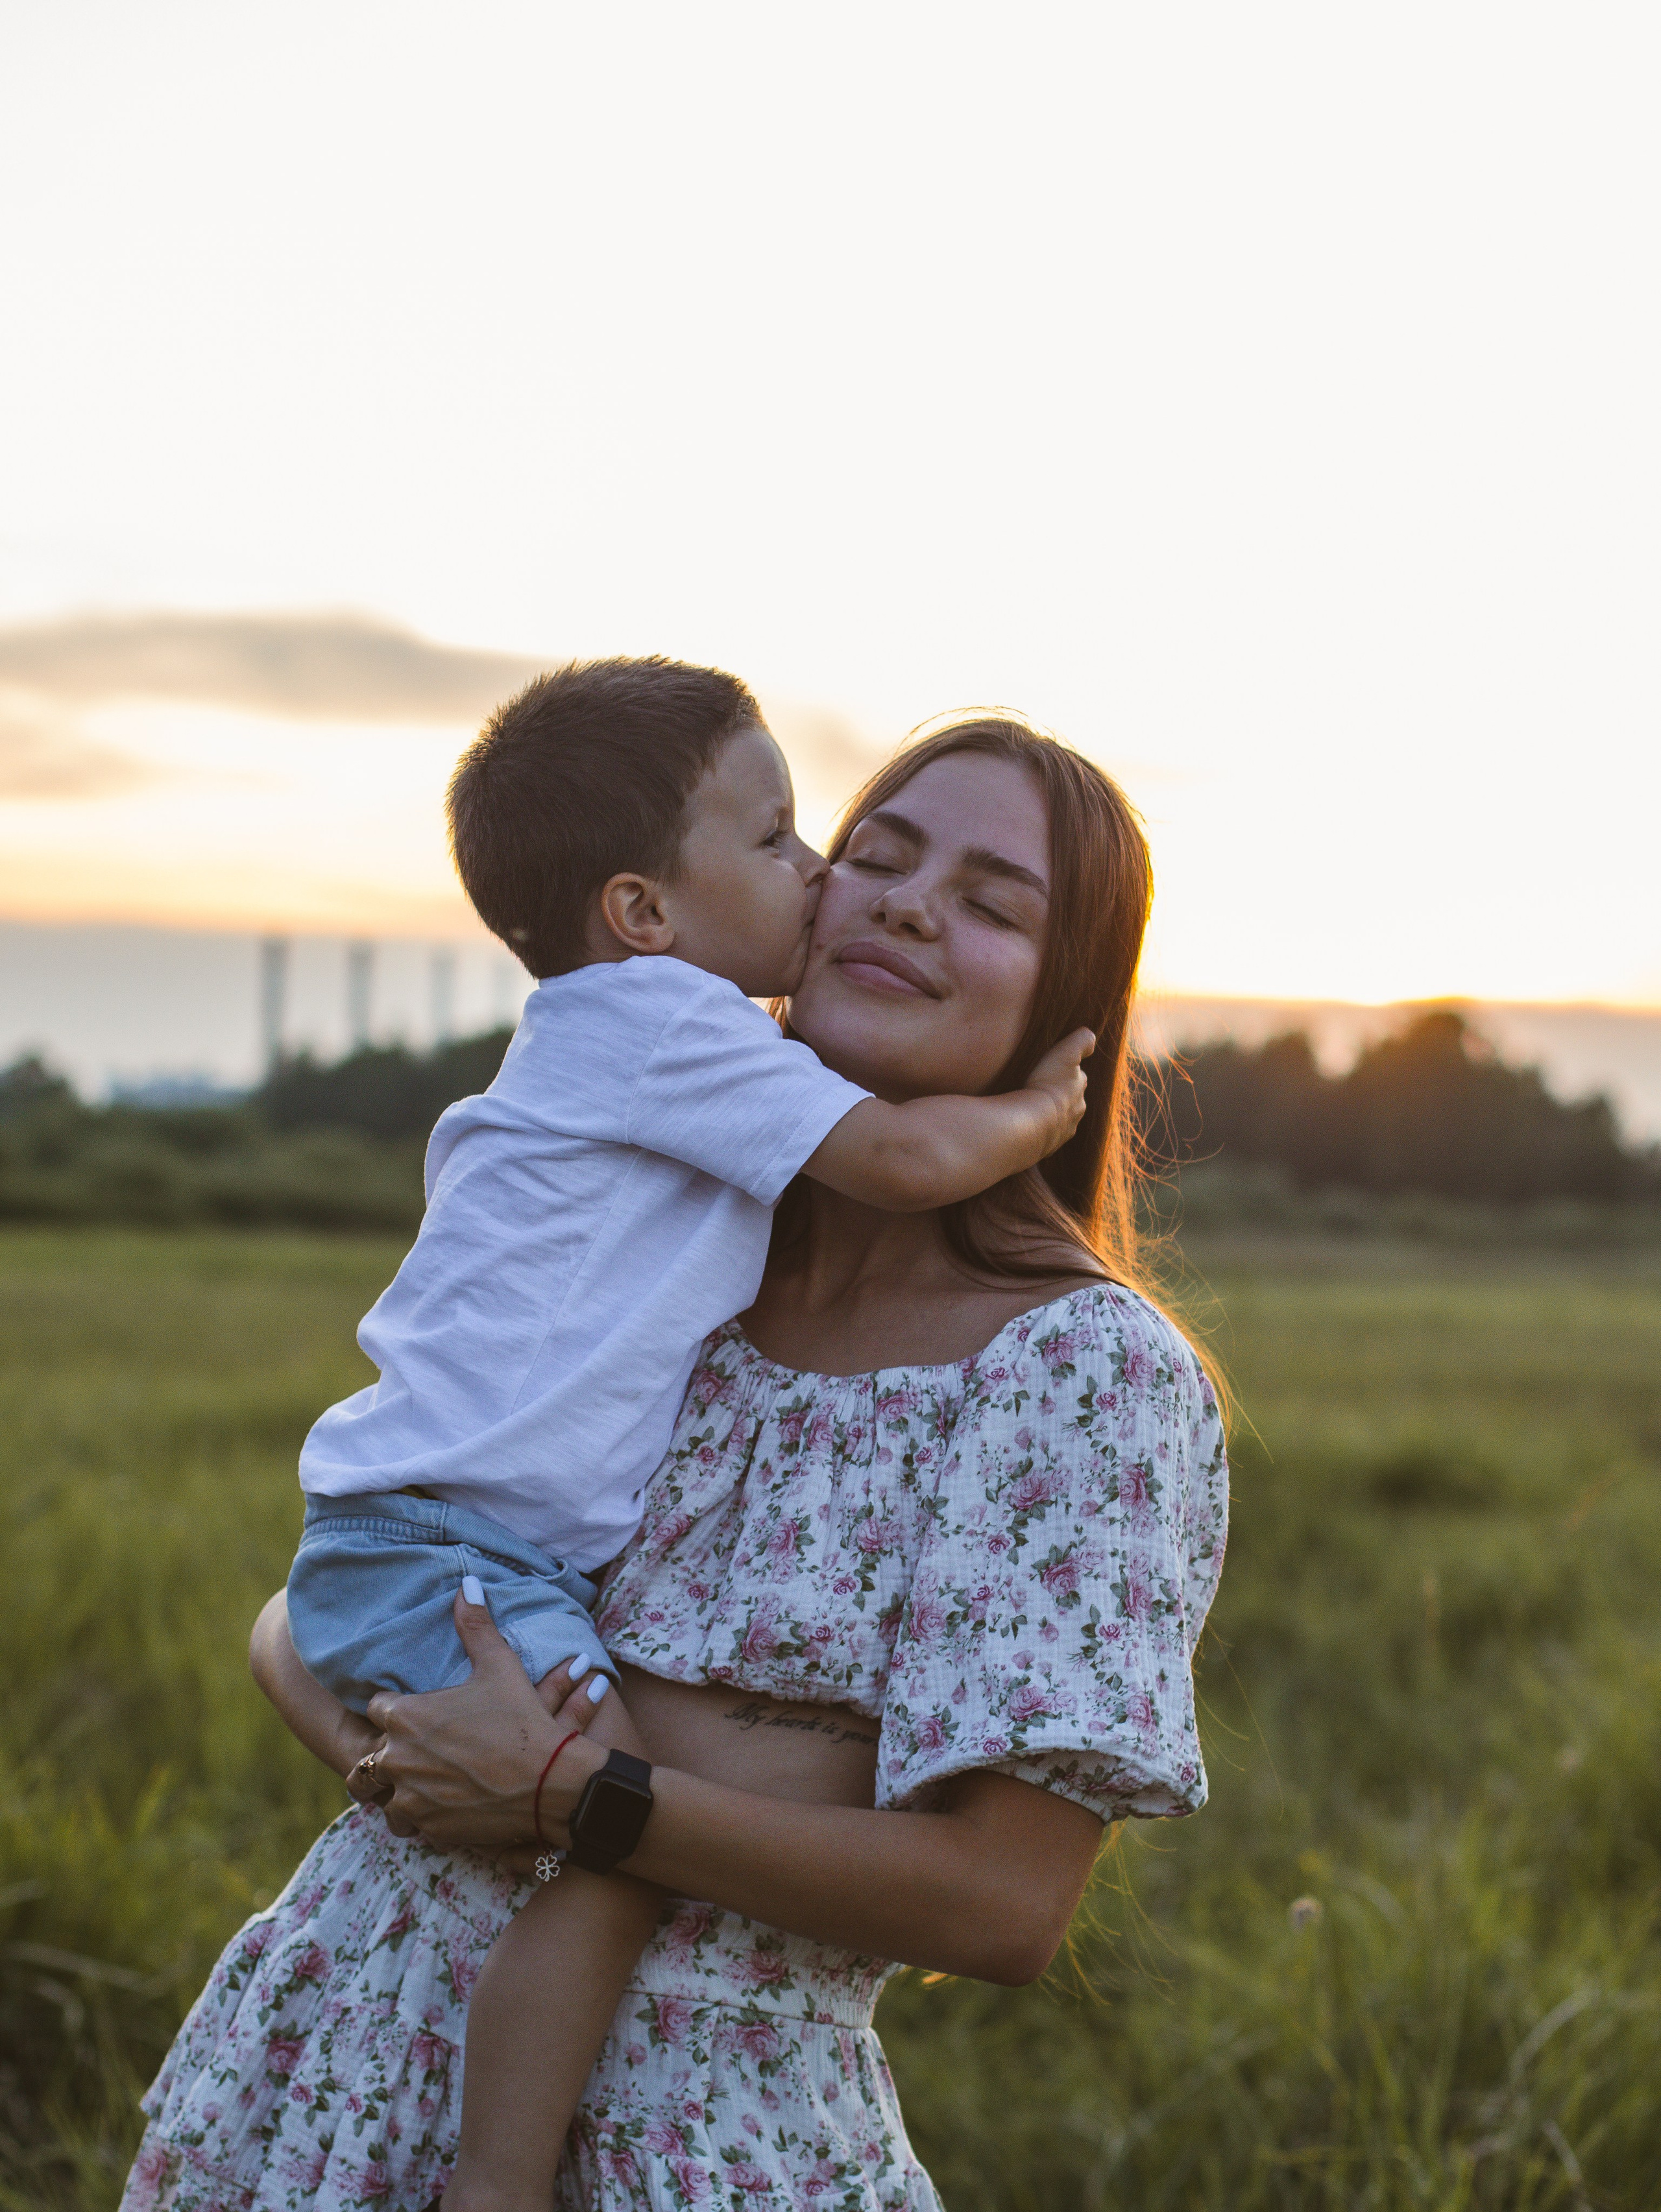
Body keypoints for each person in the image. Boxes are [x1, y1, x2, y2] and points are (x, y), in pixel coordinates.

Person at [123, 714, 1229, 2212]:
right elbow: (343, 1593)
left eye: (991, 900)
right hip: (338, 2048)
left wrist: (584, 1795)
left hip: (701, 2138)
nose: (905, 900)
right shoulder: (667, 1252)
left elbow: (1005, 1900)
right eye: (876, 855)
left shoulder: (1075, 1371)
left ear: (1065, 999)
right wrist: (492, 1753)